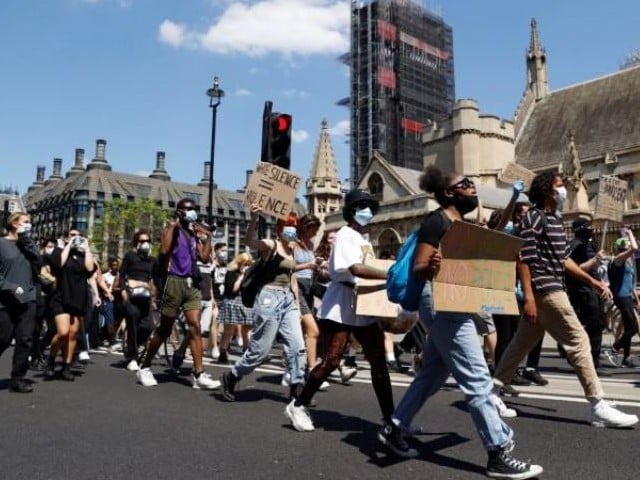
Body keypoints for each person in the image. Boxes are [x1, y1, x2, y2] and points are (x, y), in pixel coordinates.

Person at [380, 166, 543, 479]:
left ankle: (394, 427)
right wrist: (434, 264)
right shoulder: (437, 220)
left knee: (432, 375)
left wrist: (511, 198)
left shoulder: (461, 223)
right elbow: (419, 268)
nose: (472, 187)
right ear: (448, 192)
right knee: (477, 377)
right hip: (440, 301)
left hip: (455, 299)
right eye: (466, 184)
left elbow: (497, 235)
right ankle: (498, 452)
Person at [492, 171, 638, 428]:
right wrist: (528, 297)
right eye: (560, 187)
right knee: (579, 340)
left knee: (519, 345)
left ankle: (491, 394)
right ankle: (597, 404)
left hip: (550, 288)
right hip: (545, 290)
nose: (564, 192)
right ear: (549, 190)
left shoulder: (553, 220)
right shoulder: (533, 218)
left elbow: (563, 260)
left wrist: (592, 281)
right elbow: (523, 259)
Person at [285, 189, 394, 435]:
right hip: (341, 303)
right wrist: (390, 274)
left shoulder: (363, 238)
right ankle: (299, 404)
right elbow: (355, 268)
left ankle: (393, 418)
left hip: (361, 302)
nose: (367, 210)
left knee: (378, 360)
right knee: (333, 359)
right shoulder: (345, 234)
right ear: (352, 210)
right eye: (362, 206)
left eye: (370, 206)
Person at [219, 207, 307, 403]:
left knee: (297, 347)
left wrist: (296, 305)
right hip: (269, 298)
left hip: (287, 300)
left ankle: (297, 389)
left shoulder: (293, 248)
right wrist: (253, 219)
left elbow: (292, 278)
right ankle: (231, 375)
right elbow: (250, 242)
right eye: (288, 225)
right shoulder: (272, 245)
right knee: (260, 350)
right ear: (279, 228)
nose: (292, 229)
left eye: (294, 226)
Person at [136, 198, 220, 390]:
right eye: (189, 209)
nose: (193, 212)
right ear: (180, 212)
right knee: (165, 329)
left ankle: (198, 374)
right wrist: (174, 224)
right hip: (174, 281)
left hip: (192, 284)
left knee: (195, 327)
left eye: (194, 209)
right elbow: (164, 250)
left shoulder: (192, 233)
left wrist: (207, 237)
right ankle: (146, 366)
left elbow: (204, 257)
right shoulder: (173, 229)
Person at [45, 229, 95, 381]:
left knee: (73, 334)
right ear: (66, 238)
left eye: (78, 236)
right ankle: (51, 359)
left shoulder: (84, 255)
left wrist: (86, 248)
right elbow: (59, 263)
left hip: (78, 299)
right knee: (63, 332)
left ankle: (66, 367)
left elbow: (90, 269)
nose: (75, 238)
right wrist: (68, 245)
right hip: (61, 297)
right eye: (72, 236)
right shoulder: (59, 252)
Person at [0, 212, 41, 393]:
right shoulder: (1, 244)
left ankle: (18, 377)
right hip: (6, 300)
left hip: (29, 298)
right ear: (14, 224)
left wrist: (27, 241)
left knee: (25, 339)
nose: (29, 225)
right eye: (25, 222)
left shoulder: (28, 244)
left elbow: (38, 260)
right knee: (4, 338)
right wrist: (9, 286)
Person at [565, 217, 608, 371]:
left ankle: (587, 356)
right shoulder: (574, 246)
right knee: (592, 325)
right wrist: (594, 260)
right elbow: (575, 269)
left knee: (599, 324)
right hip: (582, 291)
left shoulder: (591, 244)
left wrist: (603, 286)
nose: (591, 229)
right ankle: (593, 361)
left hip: (594, 289)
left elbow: (596, 271)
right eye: (587, 226)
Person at [118, 229, 157, 372]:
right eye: (142, 241)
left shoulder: (153, 260)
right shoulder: (130, 256)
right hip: (131, 296)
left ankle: (136, 346)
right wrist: (123, 291)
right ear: (136, 243)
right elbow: (122, 275)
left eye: (147, 241)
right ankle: (132, 358)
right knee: (133, 322)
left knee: (148, 327)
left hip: (146, 297)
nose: (145, 244)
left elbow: (155, 279)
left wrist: (154, 294)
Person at [292, 214, 324, 380]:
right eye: (314, 229)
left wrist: (318, 265)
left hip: (309, 288)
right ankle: (311, 368)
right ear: (306, 227)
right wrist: (308, 265)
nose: (315, 233)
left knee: (303, 331)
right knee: (313, 330)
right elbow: (288, 267)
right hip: (296, 287)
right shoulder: (293, 244)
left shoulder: (311, 244)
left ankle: (296, 367)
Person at [605, 234, 640, 368]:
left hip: (628, 297)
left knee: (627, 328)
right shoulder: (618, 260)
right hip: (621, 297)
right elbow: (635, 248)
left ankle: (626, 357)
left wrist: (636, 299)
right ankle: (614, 349)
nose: (630, 245)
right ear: (623, 248)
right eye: (627, 244)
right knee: (633, 328)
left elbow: (630, 284)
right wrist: (630, 232)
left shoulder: (628, 262)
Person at [217, 252, 254, 363]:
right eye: (245, 264)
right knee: (229, 330)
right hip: (232, 301)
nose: (247, 266)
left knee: (247, 328)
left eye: (249, 264)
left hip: (245, 302)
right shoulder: (231, 273)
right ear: (239, 263)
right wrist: (242, 276)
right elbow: (233, 289)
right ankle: (223, 352)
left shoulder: (250, 274)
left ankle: (247, 351)